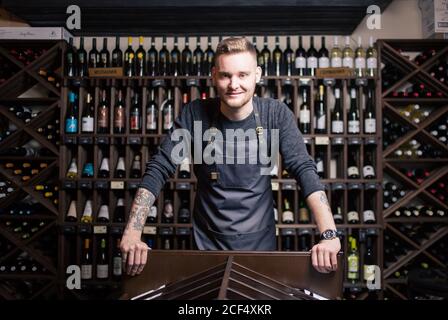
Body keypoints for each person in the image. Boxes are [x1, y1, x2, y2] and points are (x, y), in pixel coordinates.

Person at [120, 37, 341, 276]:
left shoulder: (275, 114)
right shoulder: (195, 113)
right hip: (207, 243)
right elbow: (160, 167)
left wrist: (329, 235)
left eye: (243, 75)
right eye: (225, 75)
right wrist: (132, 233)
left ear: (257, 74)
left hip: (260, 245)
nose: (233, 84)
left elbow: (304, 169)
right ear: (214, 75)